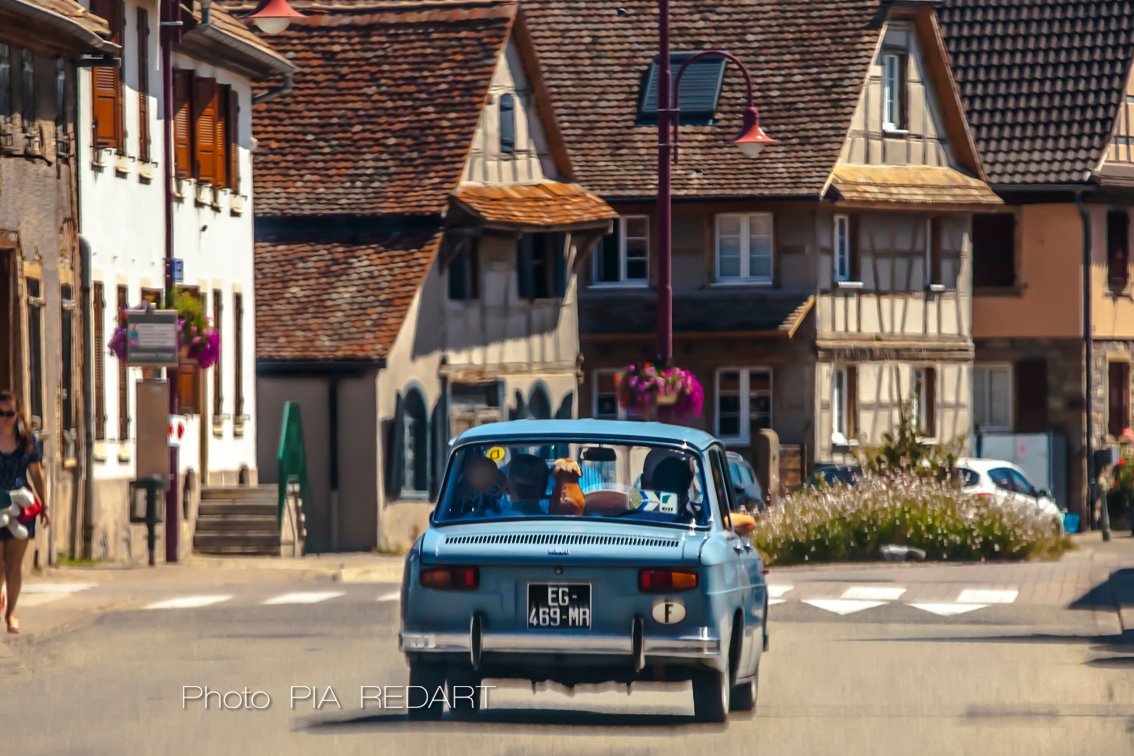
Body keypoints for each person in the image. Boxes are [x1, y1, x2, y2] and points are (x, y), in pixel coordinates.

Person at [0, 389, 49, 634]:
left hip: (22, 506)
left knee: (14, 563)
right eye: (1, 413)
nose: (5, 418)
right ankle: (2, 590)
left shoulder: (28, 441)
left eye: (10, 413)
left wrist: (45, 505)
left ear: (17, 413)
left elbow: (37, 474)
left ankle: (11, 614)